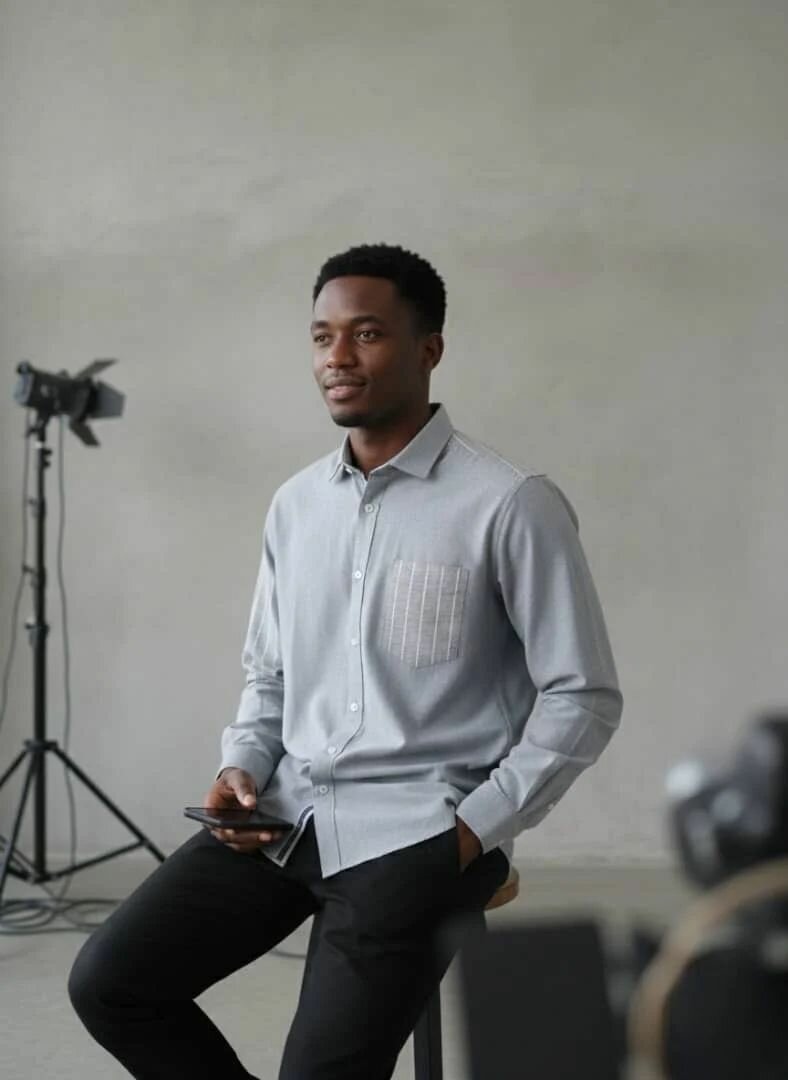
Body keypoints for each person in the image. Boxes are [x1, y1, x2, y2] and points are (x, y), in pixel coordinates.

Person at [68, 243, 623, 1079]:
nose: (337, 357)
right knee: (109, 985)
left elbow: (583, 695)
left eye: (366, 333)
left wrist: (476, 829)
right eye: (322, 336)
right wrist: (241, 764)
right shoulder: (295, 506)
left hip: (420, 835)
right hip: (284, 817)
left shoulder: (509, 504)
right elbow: (269, 675)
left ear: (429, 349)